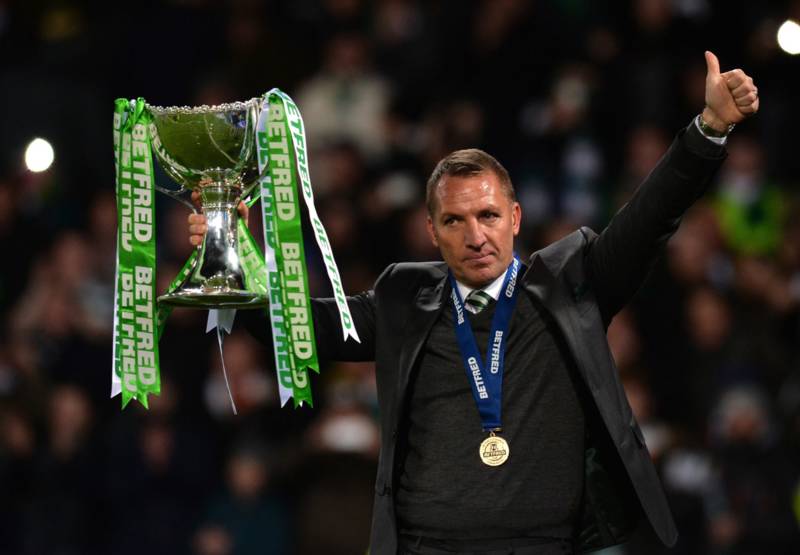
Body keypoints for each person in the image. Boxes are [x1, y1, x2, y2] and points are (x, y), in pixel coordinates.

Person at [188, 52, 759, 554]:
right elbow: (300, 327)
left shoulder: (571, 283)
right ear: (431, 231)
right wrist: (226, 254)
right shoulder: (404, 298)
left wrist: (708, 129)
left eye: (488, 215)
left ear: (515, 218)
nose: (476, 235)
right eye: (455, 221)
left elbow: (649, 218)